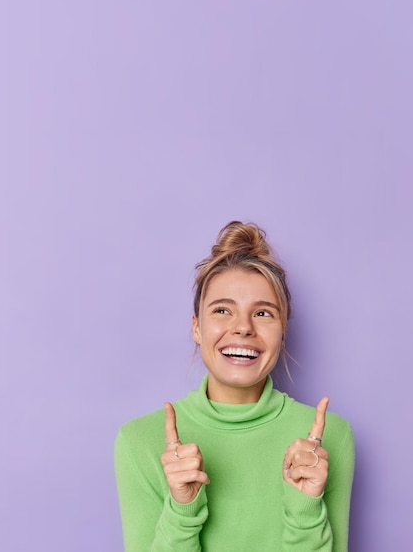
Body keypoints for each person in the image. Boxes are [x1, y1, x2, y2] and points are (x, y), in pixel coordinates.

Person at [115, 221, 355, 551]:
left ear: (282, 332)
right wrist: (183, 512)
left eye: (263, 313)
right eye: (223, 310)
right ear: (197, 328)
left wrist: (306, 511)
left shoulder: (330, 440)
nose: (242, 327)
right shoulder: (139, 441)